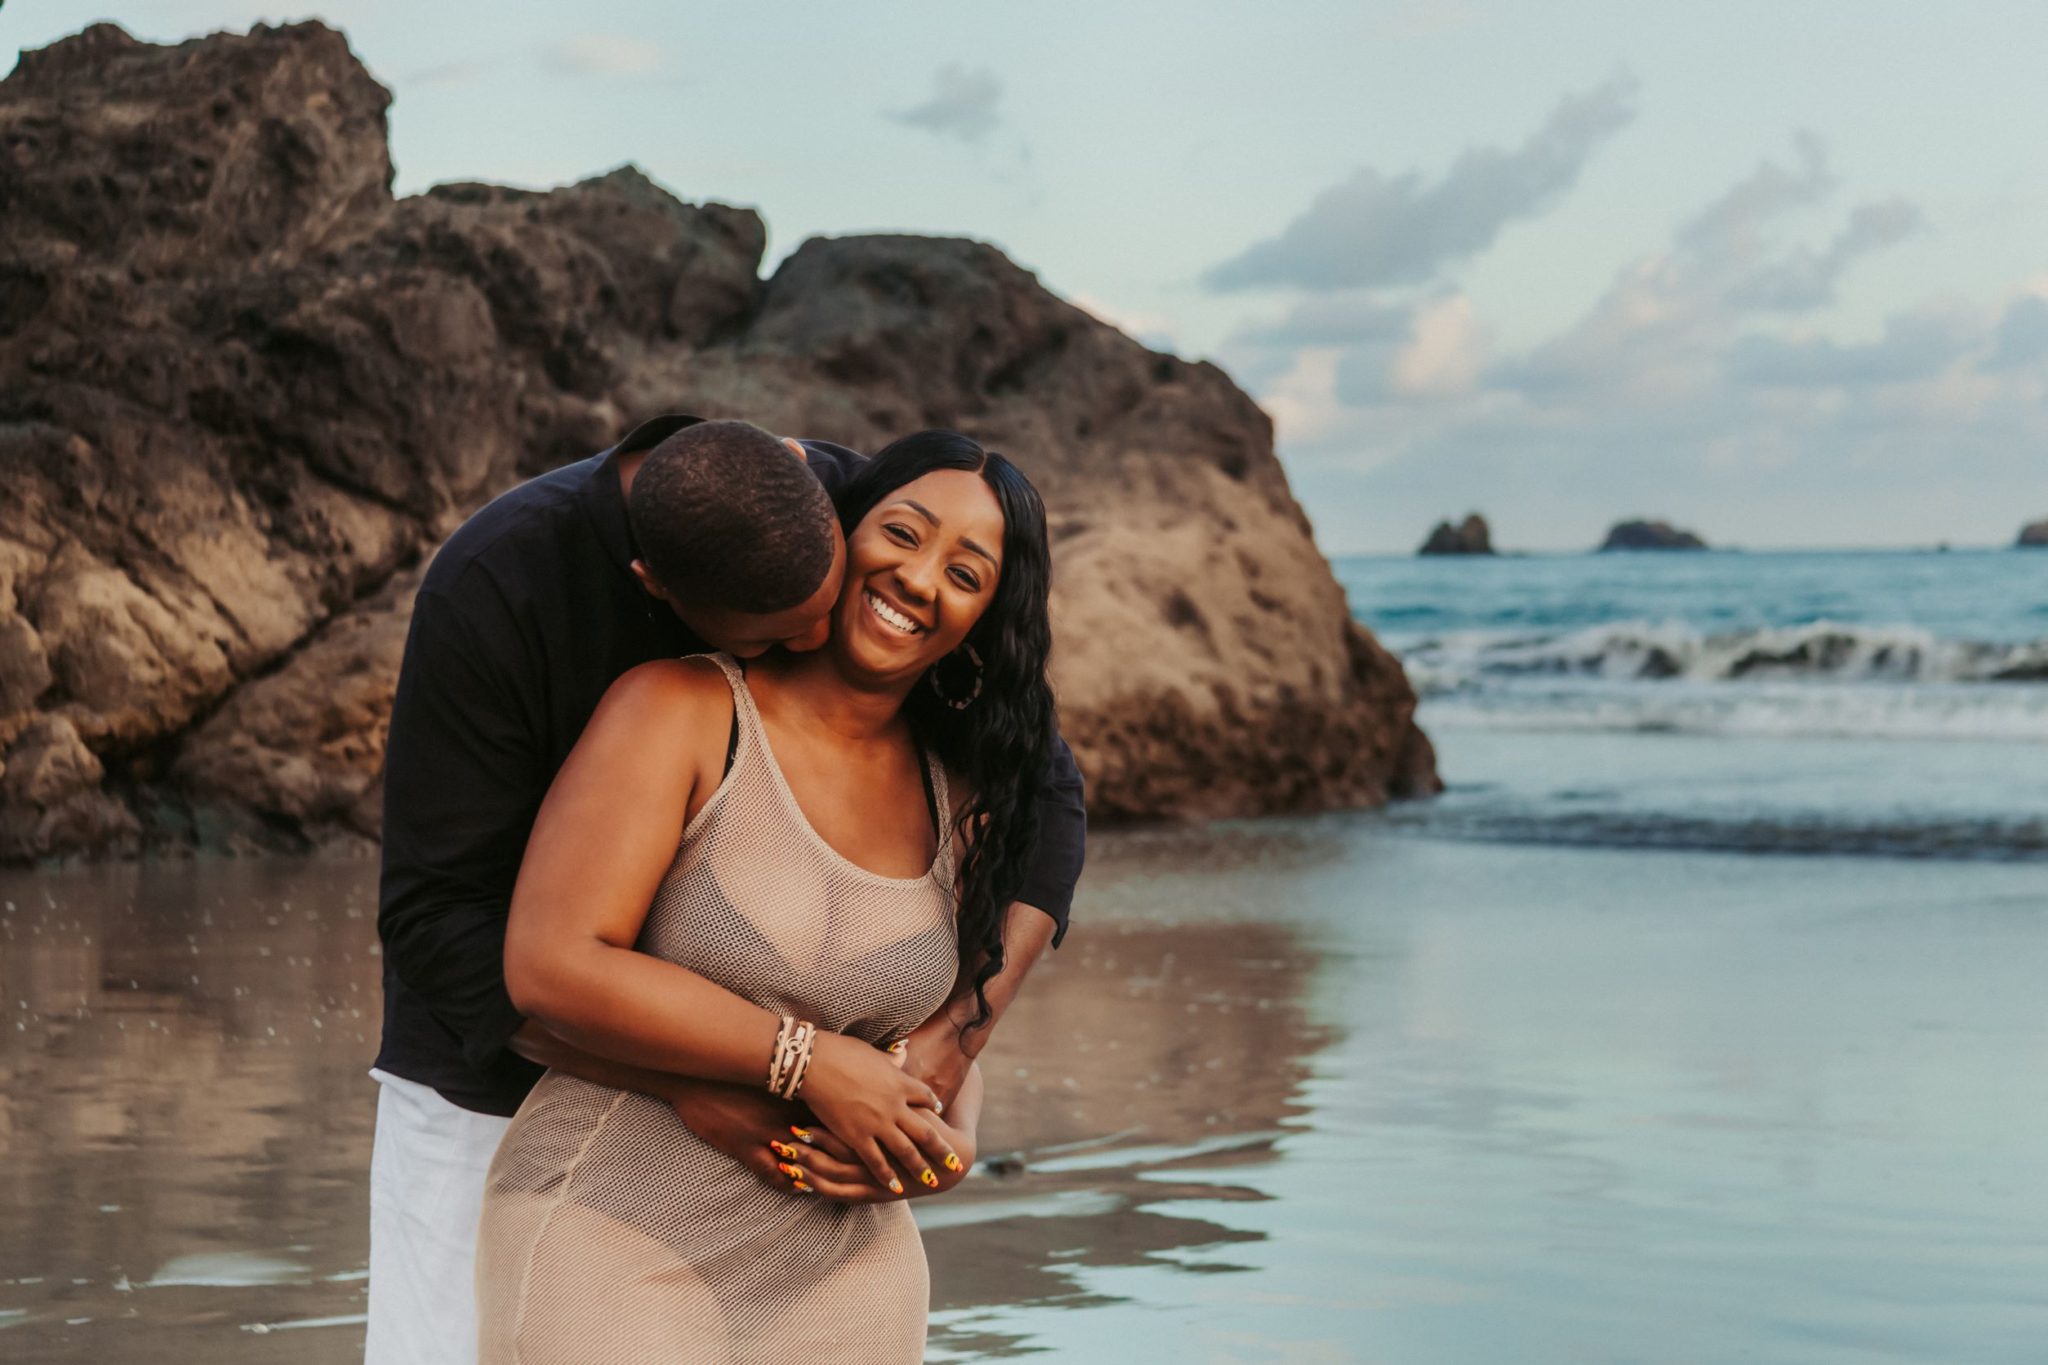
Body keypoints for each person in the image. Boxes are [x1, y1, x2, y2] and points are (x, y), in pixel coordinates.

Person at [366, 418, 1085, 1365]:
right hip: (508, 1093)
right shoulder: (510, 591)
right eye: (784, 630)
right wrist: (751, 1073)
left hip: (826, 1247)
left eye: (962, 570)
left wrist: (950, 1060)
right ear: (658, 595)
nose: (821, 631)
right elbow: (454, 926)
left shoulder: (845, 512)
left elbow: (1049, 804)